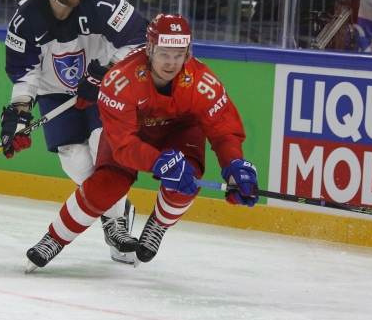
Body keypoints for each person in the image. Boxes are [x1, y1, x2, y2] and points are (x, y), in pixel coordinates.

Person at [25, 14, 258, 271]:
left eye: (178, 55)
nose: (171, 63)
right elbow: (124, 144)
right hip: (133, 133)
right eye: (164, 54)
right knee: (107, 184)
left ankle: (158, 224)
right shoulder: (119, 81)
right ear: (149, 49)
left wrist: (235, 163)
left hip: (180, 130)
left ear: (188, 53)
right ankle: (54, 238)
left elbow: (223, 130)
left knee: (186, 179)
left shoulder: (202, 82)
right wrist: (158, 161)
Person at [1, 0, 149, 264]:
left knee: (102, 148)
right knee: (76, 163)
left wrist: (107, 68)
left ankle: (113, 223)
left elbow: (141, 39)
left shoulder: (101, 2)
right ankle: (118, 210)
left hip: (105, 88)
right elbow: (25, 73)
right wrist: (20, 114)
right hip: (56, 93)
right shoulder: (25, 17)